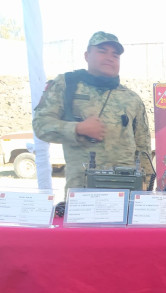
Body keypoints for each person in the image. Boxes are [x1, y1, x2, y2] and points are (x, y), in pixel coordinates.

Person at [32, 31, 153, 190]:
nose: (110, 57)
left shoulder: (131, 99)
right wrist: (77, 129)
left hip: (126, 190)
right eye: (102, 51)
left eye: (115, 55)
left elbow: (143, 150)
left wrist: (146, 189)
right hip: (83, 192)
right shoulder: (67, 85)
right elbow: (41, 125)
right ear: (87, 55)